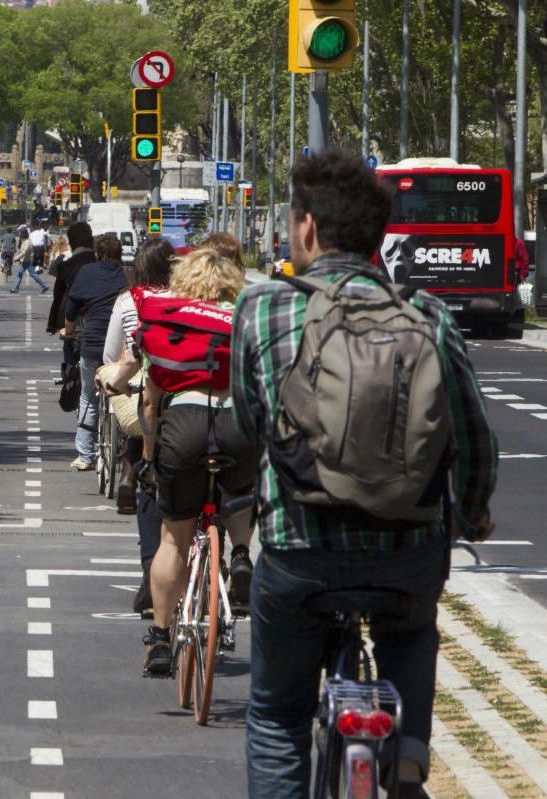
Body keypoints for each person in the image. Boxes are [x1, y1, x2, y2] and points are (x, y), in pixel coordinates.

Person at [231, 150, 497, 798]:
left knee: (277, 715)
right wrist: (470, 511)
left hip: (299, 550)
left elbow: (248, 422)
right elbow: (472, 436)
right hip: (406, 547)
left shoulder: (263, 309)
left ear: (308, 228)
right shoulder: (427, 315)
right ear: (378, 234)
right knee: (410, 630)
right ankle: (407, 750)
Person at [131, 248, 256, 675]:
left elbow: (149, 406)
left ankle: (162, 639)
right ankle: (240, 554)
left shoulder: (172, 321)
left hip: (183, 424)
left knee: (173, 540)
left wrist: (149, 458)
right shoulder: (244, 320)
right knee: (240, 490)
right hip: (236, 425)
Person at [97, 236, 175, 612]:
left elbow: (113, 355)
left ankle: (132, 472)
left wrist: (115, 379)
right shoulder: (190, 302)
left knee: (143, 446)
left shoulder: (131, 302)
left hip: (146, 396)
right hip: (201, 411)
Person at [61, 235, 128, 471]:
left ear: (98, 254)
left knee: (88, 396)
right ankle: (124, 446)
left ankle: (86, 455)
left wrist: (68, 331)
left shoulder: (87, 273)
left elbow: (71, 308)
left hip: (92, 345)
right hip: (121, 350)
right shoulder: (126, 275)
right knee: (124, 395)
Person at [47, 221, 95, 366]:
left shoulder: (66, 266)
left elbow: (58, 297)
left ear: (72, 243)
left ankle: (69, 374)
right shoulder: (99, 263)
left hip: (71, 321)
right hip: (97, 321)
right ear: (91, 241)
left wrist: (53, 323)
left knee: (69, 345)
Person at [10, 227, 50, 294]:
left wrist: (16, 258)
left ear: (23, 235)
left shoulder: (27, 242)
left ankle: (44, 286)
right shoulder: (25, 241)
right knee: (20, 274)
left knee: (32, 274)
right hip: (25, 260)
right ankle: (15, 288)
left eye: (20, 234)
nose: (19, 236)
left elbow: (24, 252)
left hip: (28, 261)